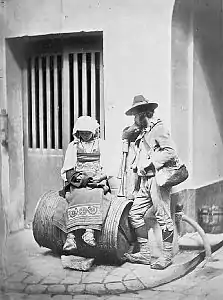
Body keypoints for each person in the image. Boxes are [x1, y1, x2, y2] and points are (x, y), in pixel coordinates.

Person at [123, 95, 183, 270]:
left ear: (143, 114)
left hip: (158, 180)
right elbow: (127, 135)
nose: (134, 119)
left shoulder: (159, 129)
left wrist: (151, 161)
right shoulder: (144, 132)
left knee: (163, 217)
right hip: (144, 182)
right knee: (135, 214)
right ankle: (145, 253)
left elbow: (171, 152)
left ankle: (166, 257)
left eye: (136, 115)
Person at [60, 116, 110, 252]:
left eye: (88, 132)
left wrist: (101, 177)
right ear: (77, 133)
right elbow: (67, 169)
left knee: (97, 193)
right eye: (82, 133)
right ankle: (71, 238)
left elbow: (109, 167)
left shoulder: (102, 145)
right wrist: (79, 178)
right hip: (79, 181)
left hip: (97, 180)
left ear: (94, 131)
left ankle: (89, 232)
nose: (85, 135)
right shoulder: (73, 146)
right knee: (74, 195)